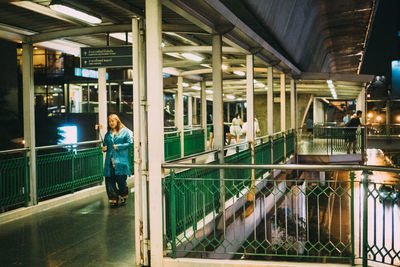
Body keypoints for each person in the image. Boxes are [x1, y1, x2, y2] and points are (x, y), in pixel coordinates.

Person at [102, 114, 132, 207]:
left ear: (117, 121)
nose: (111, 123)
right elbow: (105, 144)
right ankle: (113, 198)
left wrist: (118, 147)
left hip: (121, 161)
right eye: (109, 121)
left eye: (112, 121)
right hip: (109, 161)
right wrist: (104, 148)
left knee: (121, 180)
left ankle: (123, 193)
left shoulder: (125, 132)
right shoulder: (107, 134)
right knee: (109, 180)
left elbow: (129, 143)